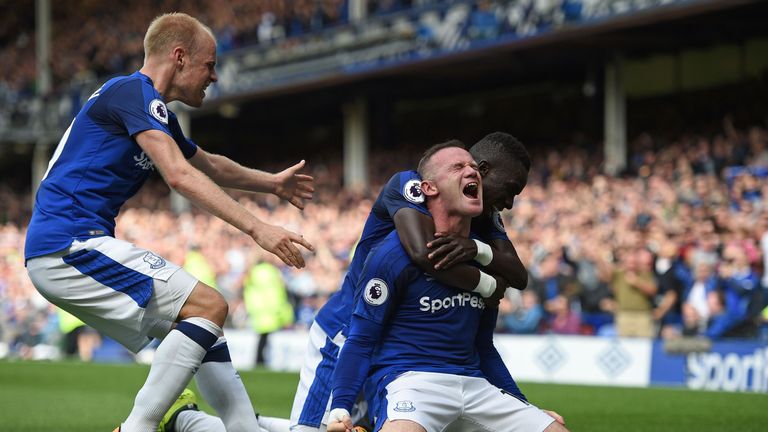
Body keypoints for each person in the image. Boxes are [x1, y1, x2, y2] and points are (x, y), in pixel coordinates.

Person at [24, 12, 314, 432]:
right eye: (209, 64)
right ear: (179, 57)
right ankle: (139, 426)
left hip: (69, 248)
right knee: (210, 305)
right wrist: (259, 228)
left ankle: (240, 428)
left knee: (203, 327)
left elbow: (210, 165)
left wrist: (271, 183)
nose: (214, 75)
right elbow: (179, 175)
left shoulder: (153, 111)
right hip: (68, 245)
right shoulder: (131, 92)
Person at [290, 133, 545, 431]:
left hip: (396, 354)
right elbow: (423, 252)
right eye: (511, 188)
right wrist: (487, 285)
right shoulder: (411, 185)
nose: (511, 203)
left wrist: (478, 249)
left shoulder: (483, 216)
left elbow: (518, 275)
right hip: (347, 332)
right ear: (483, 170)